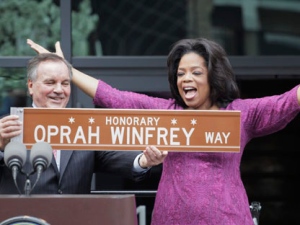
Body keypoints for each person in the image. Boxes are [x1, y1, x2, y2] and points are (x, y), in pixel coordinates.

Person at [27, 38, 300, 225]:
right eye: (181, 74)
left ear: (213, 75)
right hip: (171, 218)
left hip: (227, 218)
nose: (186, 79)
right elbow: (113, 97)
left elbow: (287, 102)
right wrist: (69, 72)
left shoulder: (242, 114)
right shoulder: (166, 112)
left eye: (195, 72)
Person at [0, 53, 167, 195]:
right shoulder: (8, 127)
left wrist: (144, 160)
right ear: (30, 85)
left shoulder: (83, 127)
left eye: (65, 83)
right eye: (50, 82)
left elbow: (112, 156)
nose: (59, 90)